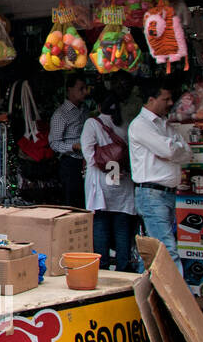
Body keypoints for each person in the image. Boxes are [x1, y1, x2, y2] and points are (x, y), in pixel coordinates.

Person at [129, 85, 193, 275]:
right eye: (165, 99)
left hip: (166, 194)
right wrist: (172, 150)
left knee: (154, 251)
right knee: (166, 249)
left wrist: (172, 150)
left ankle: (144, 294)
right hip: (151, 194)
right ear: (151, 100)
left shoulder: (164, 125)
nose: (171, 103)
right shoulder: (140, 125)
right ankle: (178, 300)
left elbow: (186, 153)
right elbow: (170, 150)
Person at [81, 96, 139, 273]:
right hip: (123, 183)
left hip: (101, 182)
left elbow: (88, 153)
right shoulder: (126, 124)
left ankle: (103, 266)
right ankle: (123, 266)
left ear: (99, 106)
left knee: (101, 225)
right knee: (122, 226)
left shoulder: (92, 123)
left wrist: (103, 166)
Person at [49, 74, 90, 209]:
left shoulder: (85, 110)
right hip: (70, 162)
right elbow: (54, 143)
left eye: (86, 88)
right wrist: (73, 146)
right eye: (81, 89)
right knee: (72, 202)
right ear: (70, 90)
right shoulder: (61, 114)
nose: (85, 92)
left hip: (87, 161)